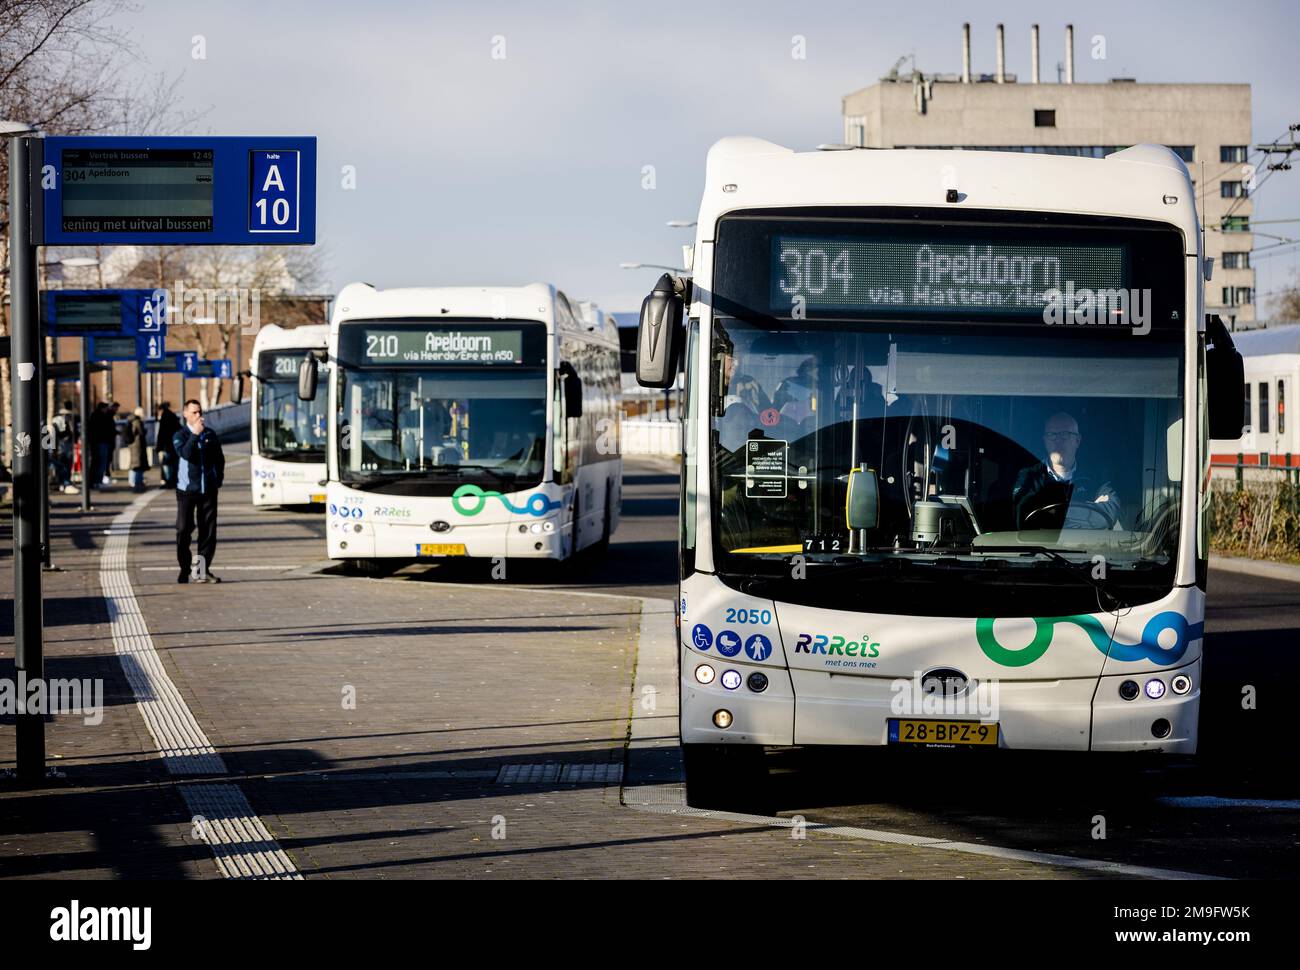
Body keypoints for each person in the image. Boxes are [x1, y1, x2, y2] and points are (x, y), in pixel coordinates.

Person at [1012, 411, 1121, 531]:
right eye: (1052, 434)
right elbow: (1022, 517)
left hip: (1087, 547)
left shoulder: (1097, 477)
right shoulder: (1028, 477)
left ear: (1077, 440)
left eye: (1065, 434)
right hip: (1042, 548)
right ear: (1045, 440)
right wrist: (1091, 507)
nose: (1058, 440)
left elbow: (1109, 514)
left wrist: (1046, 510)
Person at [173, 399, 226, 584]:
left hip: (208, 490)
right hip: (187, 491)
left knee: (208, 532)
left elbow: (219, 459)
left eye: (199, 412)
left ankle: (202, 571)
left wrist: (217, 479)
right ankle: (184, 567)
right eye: (194, 412)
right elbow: (186, 454)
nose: (198, 416)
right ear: (185, 414)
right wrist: (195, 435)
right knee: (183, 530)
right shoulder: (180, 435)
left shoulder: (210, 434)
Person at [49, 401, 77, 494]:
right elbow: (58, 434)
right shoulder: (58, 421)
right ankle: (64, 483)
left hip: (65, 445)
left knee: (66, 464)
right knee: (63, 464)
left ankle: (65, 482)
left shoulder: (68, 421)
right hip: (61, 445)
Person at [123, 407, 148, 493]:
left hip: (134, 445)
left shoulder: (132, 421)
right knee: (137, 464)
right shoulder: (137, 422)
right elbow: (141, 432)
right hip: (137, 445)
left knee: (135, 464)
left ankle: (134, 481)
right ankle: (136, 482)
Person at [156, 402, 181, 489]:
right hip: (174, 444)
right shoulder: (173, 416)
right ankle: (173, 481)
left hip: (167, 446)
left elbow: (161, 434)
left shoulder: (164, 418)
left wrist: (159, 447)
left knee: (167, 464)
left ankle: (168, 481)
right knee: (174, 464)